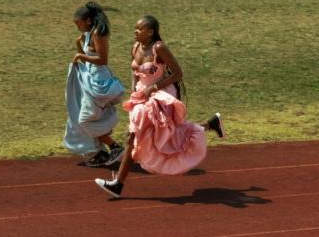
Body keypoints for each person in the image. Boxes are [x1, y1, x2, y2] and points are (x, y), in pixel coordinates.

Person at [94, 15, 225, 198]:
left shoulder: (159, 48)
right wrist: (135, 88)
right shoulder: (135, 47)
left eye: (139, 29)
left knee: (136, 136)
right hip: (141, 97)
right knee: (155, 135)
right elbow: (135, 71)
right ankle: (210, 124)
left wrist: (153, 87)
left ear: (150, 32)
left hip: (161, 95)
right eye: (135, 28)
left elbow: (178, 73)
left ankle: (118, 185)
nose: (135, 32)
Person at [63, 1, 126, 167]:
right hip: (91, 81)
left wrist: (80, 57)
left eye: (79, 23)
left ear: (88, 21)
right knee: (89, 117)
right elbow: (88, 56)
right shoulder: (90, 33)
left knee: (84, 120)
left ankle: (114, 147)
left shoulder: (98, 33)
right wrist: (79, 45)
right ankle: (98, 153)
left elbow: (102, 59)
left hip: (100, 82)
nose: (78, 26)